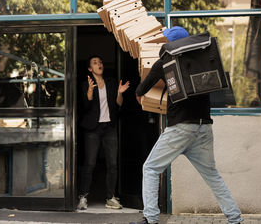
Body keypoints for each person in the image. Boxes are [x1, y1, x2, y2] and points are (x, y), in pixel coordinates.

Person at [130, 27, 243, 224]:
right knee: (212, 175)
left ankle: (150, 218)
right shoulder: (202, 60)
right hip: (204, 127)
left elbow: (143, 87)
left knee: (150, 168)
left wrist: (140, 96)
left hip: (180, 127)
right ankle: (235, 218)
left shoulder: (166, 60)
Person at [78, 55, 130, 210]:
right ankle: (83, 196)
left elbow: (118, 105)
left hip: (109, 127)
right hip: (93, 129)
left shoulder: (111, 83)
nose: (99, 64)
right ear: (90, 68)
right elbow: (86, 106)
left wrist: (120, 93)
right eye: (95, 62)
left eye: (100, 62)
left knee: (112, 164)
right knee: (90, 163)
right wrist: (89, 90)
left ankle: (110, 198)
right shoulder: (85, 84)